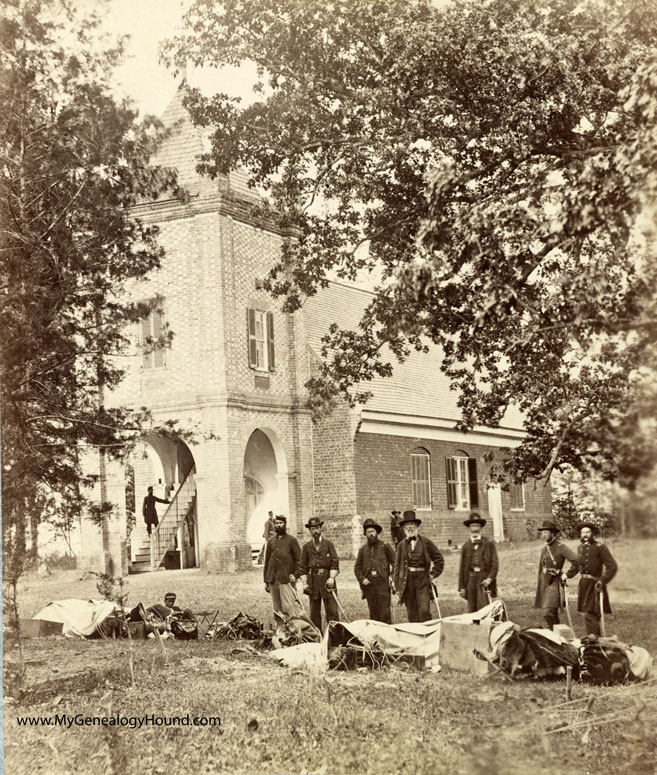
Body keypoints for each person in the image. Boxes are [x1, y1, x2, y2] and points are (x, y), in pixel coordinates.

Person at [566, 521, 618, 636]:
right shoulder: (580, 548)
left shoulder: (600, 547)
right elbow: (577, 565)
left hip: (595, 584)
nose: (585, 534)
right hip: (584, 584)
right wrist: (567, 575)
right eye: (583, 532)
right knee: (588, 613)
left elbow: (612, 566)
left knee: (591, 614)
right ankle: (596, 640)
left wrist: (602, 580)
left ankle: (593, 641)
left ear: (592, 533)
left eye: (587, 532)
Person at [394, 510, 444, 622]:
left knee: (424, 611)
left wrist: (432, 575)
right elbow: (397, 566)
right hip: (407, 582)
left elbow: (439, 559)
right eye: (407, 525)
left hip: (422, 581)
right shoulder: (401, 545)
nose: (409, 527)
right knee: (412, 613)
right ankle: (416, 637)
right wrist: (397, 586)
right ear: (404, 528)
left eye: (412, 524)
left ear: (417, 526)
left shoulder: (426, 542)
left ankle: (427, 635)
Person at [534, 520, 580, 630]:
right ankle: (557, 635)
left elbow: (577, 561)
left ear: (553, 534)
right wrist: (541, 586)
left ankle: (554, 635)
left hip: (555, 584)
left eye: (546, 532)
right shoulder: (544, 549)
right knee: (551, 614)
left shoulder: (561, 547)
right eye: (542, 532)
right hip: (545, 583)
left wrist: (567, 575)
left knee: (549, 613)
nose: (543, 535)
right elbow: (541, 569)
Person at [298, 517, 339, 632]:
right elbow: (303, 567)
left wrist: (332, 578)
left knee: (332, 611)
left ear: (320, 528)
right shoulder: (306, 547)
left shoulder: (329, 544)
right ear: (310, 531)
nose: (315, 531)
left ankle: (335, 638)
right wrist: (305, 583)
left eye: (317, 528)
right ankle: (317, 637)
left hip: (327, 580)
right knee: (314, 613)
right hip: (313, 582)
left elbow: (335, 564)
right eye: (312, 529)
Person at [354, 518, 396, 623]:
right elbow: (357, 568)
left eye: (372, 531)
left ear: (377, 532)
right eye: (368, 532)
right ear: (366, 534)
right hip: (369, 585)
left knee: (385, 614)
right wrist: (362, 579)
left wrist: (392, 575)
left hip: (383, 583)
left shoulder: (385, 546)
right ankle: (375, 637)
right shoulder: (362, 550)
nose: (371, 534)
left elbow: (396, 563)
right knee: (373, 614)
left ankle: (386, 636)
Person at [458, 512, 499, 613]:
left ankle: (486, 627)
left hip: (483, 578)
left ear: (481, 527)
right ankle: (473, 627)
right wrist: (462, 587)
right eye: (473, 526)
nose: (475, 529)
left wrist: (489, 579)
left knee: (484, 607)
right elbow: (462, 568)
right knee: (471, 608)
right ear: (469, 528)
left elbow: (495, 563)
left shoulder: (488, 543)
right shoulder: (466, 546)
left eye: (477, 525)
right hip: (470, 579)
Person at [263, 514, 301, 616]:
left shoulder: (291, 540)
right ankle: (280, 630)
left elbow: (299, 560)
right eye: (276, 523)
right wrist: (266, 580)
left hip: (286, 579)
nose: (278, 525)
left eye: (280, 523)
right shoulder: (271, 541)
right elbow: (266, 562)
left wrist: (295, 575)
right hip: (273, 579)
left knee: (288, 608)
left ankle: (291, 630)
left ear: (285, 524)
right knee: (277, 610)